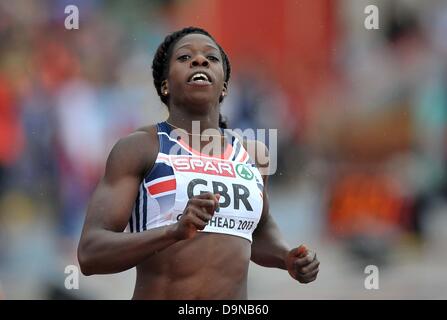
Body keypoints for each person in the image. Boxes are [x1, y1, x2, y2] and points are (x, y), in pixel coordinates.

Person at [77, 26, 319, 299]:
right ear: (165, 84)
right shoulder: (140, 147)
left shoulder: (253, 154)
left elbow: (259, 229)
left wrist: (286, 256)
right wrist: (173, 232)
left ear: (224, 85)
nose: (199, 60)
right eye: (184, 57)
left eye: (211, 58)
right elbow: (90, 253)